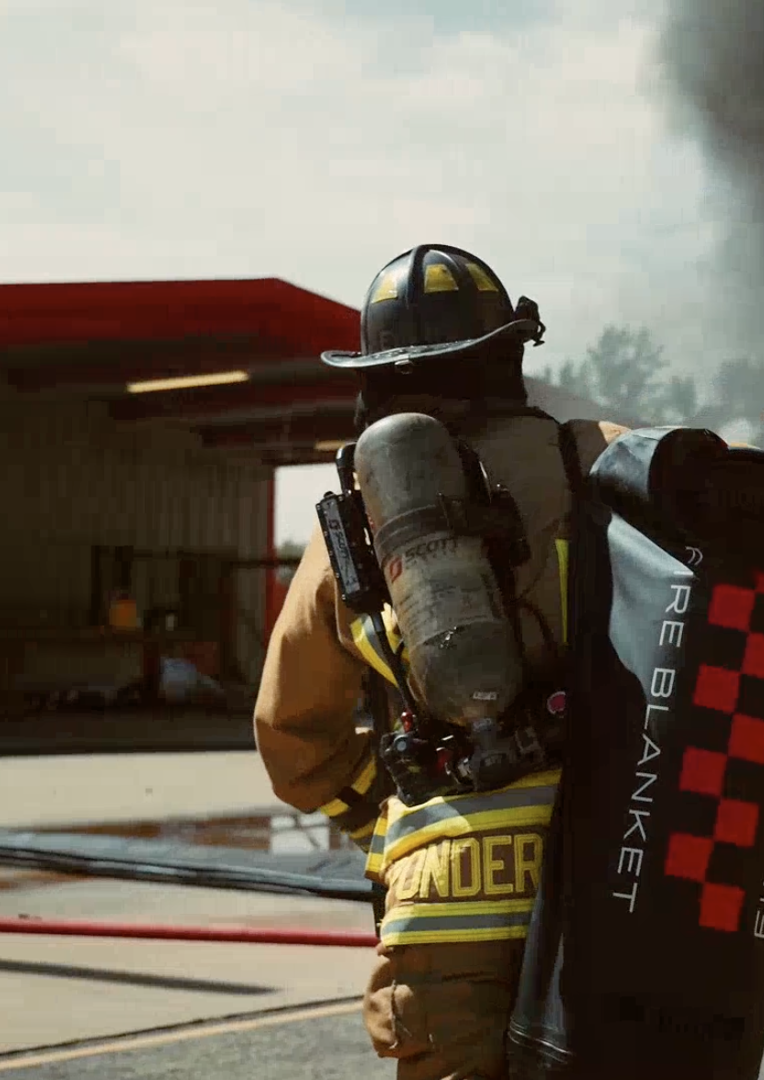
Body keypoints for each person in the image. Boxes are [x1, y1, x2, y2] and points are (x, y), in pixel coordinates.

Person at [254, 244, 628, 1080]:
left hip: (443, 907)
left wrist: (385, 824)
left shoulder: (352, 523)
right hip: (614, 874)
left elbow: (290, 733)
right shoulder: (609, 461)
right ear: (508, 350)